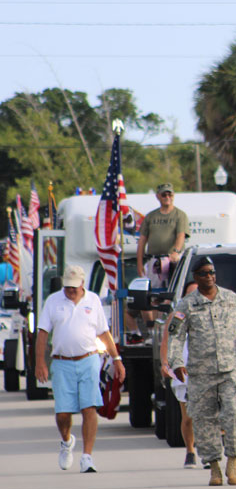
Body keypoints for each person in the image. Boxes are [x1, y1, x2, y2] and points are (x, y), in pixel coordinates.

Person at [167, 256, 236, 486]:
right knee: (204, 421)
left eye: (212, 272)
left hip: (230, 370)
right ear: (196, 277)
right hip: (201, 372)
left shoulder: (231, 298)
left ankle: (233, 461)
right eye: (204, 273)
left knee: (235, 414)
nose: (210, 276)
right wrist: (175, 362)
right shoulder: (187, 305)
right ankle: (214, 466)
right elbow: (175, 336)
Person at [33, 264, 125, 473]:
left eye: (74, 286)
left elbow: (104, 332)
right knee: (63, 413)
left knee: (89, 407)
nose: (71, 290)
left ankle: (87, 457)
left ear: (82, 284)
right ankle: (66, 441)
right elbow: (42, 333)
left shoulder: (93, 301)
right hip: (62, 361)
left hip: (89, 360)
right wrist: (40, 363)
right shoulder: (53, 301)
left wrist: (116, 358)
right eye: (67, 286)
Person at [160, 281, 199, 468]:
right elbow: (166, 341)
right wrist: (165, 363)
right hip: (182, 370)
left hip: (205, 371)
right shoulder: (176, 317)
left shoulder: (209, 315)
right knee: (188, 416)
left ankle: (209, 453)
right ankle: (190, 451)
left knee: (210, 415)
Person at [137, 183, 188, 282]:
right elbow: (142, 241)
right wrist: (139, 264)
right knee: (155, 292)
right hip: (155, 260)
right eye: (164, 195)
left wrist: (175, 252)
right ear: (158, 196)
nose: (167, 197)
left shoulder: (180, 215)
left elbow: (181, 236)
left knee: (173, 288)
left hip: (172, 260)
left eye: (170, 195)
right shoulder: (150, 216)